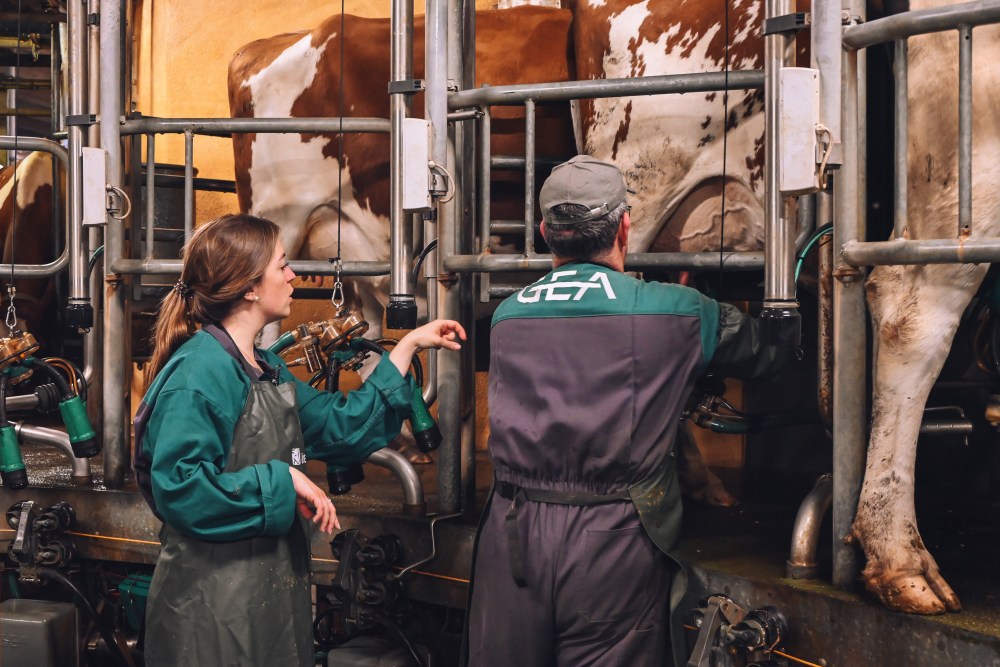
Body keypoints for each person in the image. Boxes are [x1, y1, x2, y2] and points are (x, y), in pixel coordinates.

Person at [465, 155, 788, 666]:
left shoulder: (508, 314)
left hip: (512, 532)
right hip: (611, 538)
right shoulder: (674, 310)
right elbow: (769, 353)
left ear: (547, 232)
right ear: (624, 226)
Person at [132, 213, 465, 666]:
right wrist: (281, 481)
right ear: (250, 287)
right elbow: (182, 488)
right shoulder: (201, 372)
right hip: (211, 608)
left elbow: (340, 425)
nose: (292, 276)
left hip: (267, 597)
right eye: (282, 265)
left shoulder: (265, 366)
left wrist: (407, 347)